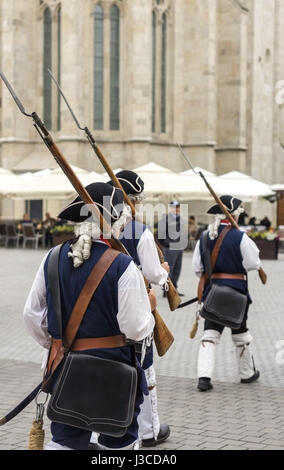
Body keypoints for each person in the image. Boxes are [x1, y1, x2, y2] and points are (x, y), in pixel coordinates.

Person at [23, 182, 156, 450]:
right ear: (114, 220)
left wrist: (57, 343)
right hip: (115, 370)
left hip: (66, 367)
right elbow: (135, 329)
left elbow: (32, 316)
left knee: (66, 441)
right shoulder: (123, 265)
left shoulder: (51, 257)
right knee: (117, 440)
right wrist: (150, 309)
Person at [106, 169, 171, 447]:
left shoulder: (95, 229)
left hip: (102, 307)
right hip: (137, 305)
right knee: (144, 370)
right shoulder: (139, 231)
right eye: (139, 199)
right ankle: (150, 431)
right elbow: (155, 275)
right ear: (132, 201)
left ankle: (101, 430)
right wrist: (165, 273)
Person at [192, 195, 261, 392]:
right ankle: (247, 374)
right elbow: (253, 264)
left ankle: (203, 377)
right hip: (237, 293)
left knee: (209, 335)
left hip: (213, 292)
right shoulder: (241, 237)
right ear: (234, 216)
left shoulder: (205, 237)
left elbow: (198, 268)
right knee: (240, 334)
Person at [157, 200, 186, 296]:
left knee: (177, 270)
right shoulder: (165, 219)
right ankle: (167, 291)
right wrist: (168, 244)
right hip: (170, 248)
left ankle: (174, 289)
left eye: (178, 207)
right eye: (175, 207)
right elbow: (159, 235)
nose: (177, 209)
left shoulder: (180, 219)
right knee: (169, 270)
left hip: (179, 248)